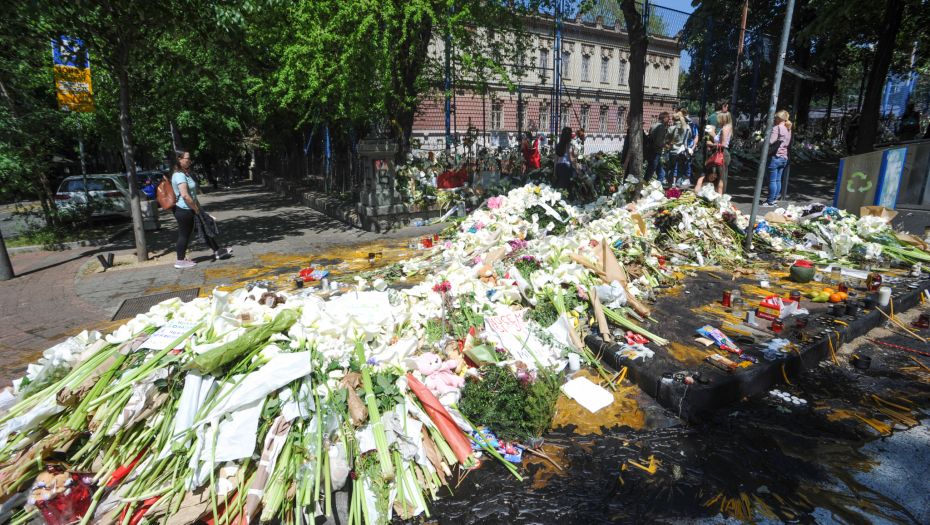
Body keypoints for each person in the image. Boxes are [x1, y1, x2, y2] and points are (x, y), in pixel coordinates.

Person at [171, 149, 232, 269]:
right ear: (179, 160)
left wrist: (198, 207)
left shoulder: (184, 173)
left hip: (191, 208)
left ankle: (218, 250)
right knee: (184, 235)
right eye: (187, 158)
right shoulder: (179, 175)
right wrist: (195, 208)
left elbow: (191, 194)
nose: (190, 160)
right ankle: (180, 260)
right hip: (184, 210)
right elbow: (185, 195)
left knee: (204, 228)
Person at [761, 110, 793, 207]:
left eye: (775, 118)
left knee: (772, 180)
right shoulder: (788, 129)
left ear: (779, 119)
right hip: (784, 157)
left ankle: (770, 200)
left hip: (775, 156)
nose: (774, 120)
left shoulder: (777, 128)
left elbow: (770, 142)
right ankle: (774, 199)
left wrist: (761, 141)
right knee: (778, 180)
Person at [707, 111, 732, 194]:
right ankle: (719, 193)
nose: (718, 121)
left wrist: (712, 144)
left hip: (722, 153)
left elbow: (724, 144)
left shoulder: (725, 129)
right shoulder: (726, 128)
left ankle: (720, 195)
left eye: (719, 119)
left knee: (721, 176)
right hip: (721, 152)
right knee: (720, 175)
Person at [554, 127, 581, 199]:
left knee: (568, 184)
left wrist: (554, 171)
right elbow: (572, 159)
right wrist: (579, 169)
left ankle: (572, 200)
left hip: (559, 167)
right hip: (566, 168)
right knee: (561, 188)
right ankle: (556, 200)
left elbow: (556, 160)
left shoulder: (558, 146)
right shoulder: (569, 146)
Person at [667, 111, 693, 187]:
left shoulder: (672, 128)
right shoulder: (687, 127)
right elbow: (689, 137)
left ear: (674, 119)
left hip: (673, 151)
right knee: (680, 169)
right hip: (682, 151)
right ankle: (678, 186)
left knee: (671, 168)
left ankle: (669, 184)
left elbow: (667, 138)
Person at [645, 112, 670, 183]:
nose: (669, 119)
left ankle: (658, 188)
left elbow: (654, 139)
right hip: (655, 152)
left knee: (661, 173)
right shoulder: (661, 127)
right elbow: (658, 142)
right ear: (663, 118)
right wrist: (667, 146)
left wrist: (665, 141)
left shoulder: (654, 125)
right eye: (668, 117)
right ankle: (643, 187)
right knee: (649, 173)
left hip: (651, 151)